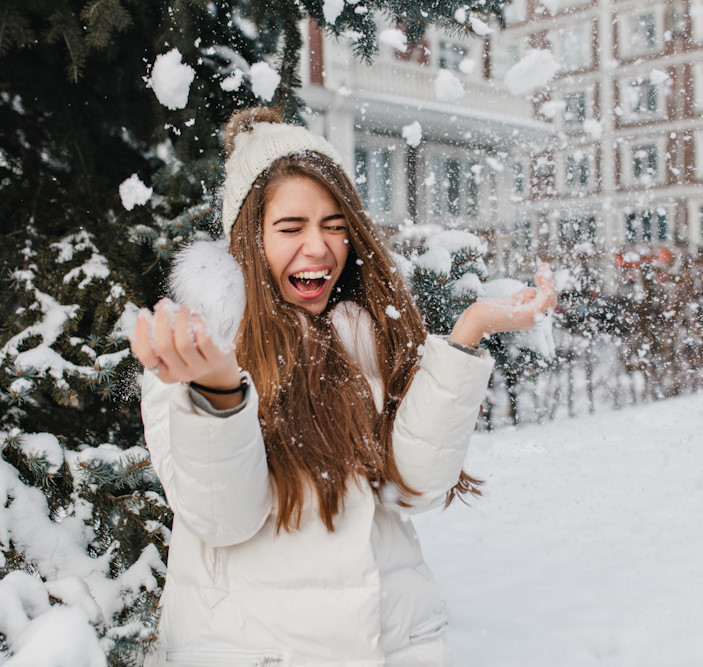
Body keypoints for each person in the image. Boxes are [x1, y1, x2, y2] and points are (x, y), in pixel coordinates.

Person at [130, 107, 557, 666]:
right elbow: (223, 518)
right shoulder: (192, 354)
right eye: (291, 227)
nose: (319, 248)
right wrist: (218, 393)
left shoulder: (365, 335)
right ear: (247, 240)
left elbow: (416, 487)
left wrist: (466, 335)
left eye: (335, 225)